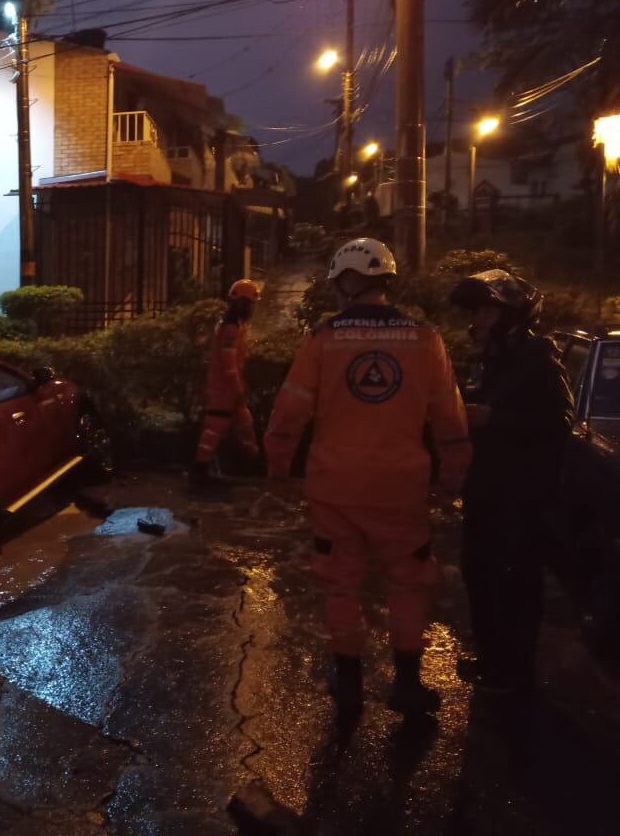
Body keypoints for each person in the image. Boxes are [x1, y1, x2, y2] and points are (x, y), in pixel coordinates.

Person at [265, 238, 471, 715]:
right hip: (401, 489)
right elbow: (450, 417)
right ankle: (406, 683)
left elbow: (289, 411)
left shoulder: (324, 339)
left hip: (334, 487)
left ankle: (350, 680)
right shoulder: (425, 338)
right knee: (409, 581)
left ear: (349, 282)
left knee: (341, 583)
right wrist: (454, 474)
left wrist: (278, 467)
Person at [449, 269, 573, 695]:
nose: (478, 320)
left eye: (486, 310)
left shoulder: (537, 355)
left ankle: (515, 672)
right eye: (476, 311)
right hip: (485, 485)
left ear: (510, 313)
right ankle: (491, 659)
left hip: (520, 492)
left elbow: (561, 420)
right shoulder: (491, 356)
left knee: (515, 579)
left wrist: (494, 419)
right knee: (478, 571)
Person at [191, 278, 261, 483]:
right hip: (224, 388)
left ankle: (253, 464)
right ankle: (200, 470)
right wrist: (238, 387)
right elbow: (228, 361)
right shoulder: (231, 327)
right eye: (250, 304)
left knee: (243, 423)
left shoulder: (233, 323)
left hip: (226, 386)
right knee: (215, 428)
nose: (251, 308)